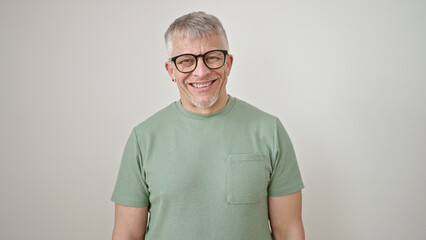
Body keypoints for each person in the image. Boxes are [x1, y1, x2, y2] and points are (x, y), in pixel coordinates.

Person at [111, 11, 305, 240]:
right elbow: (128, 235)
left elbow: (288, 232)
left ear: (228, 63)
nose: (201, 72)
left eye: (212, 57)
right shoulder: (143, 139)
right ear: (171, 70)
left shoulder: (269, 131)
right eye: (186, 61)